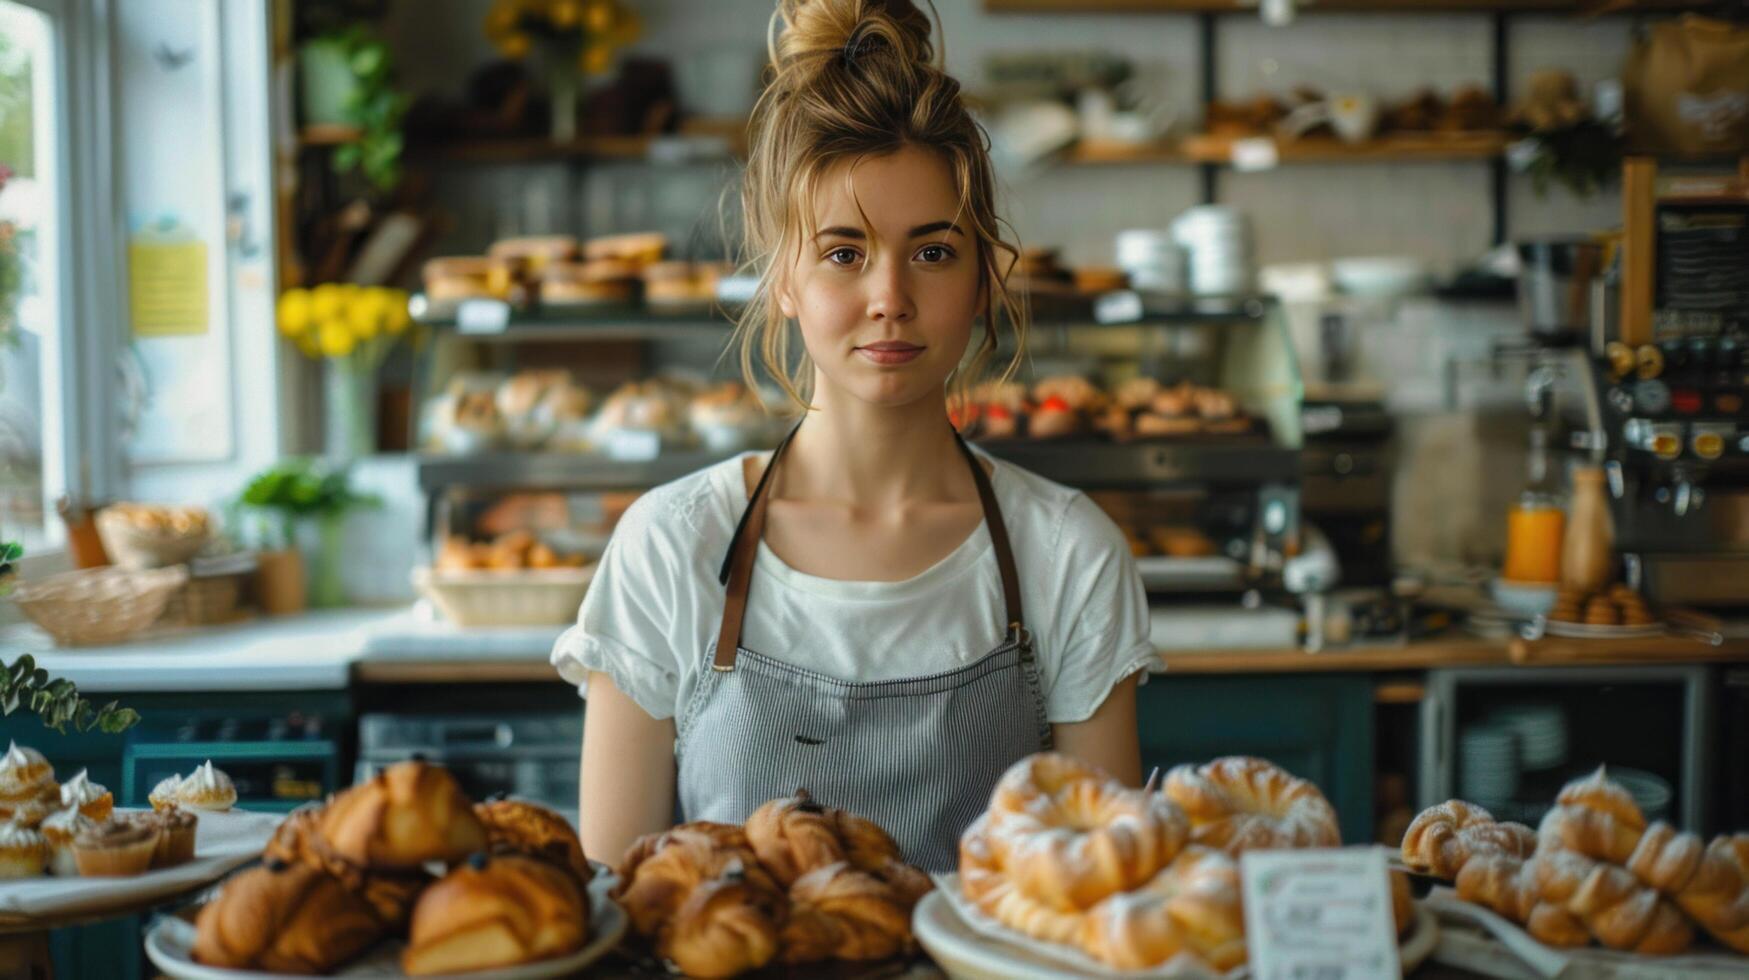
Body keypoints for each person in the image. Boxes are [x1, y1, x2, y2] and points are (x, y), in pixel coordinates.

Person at [552, 0, 1152, 872]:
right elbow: (619, 900)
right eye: (843, 252)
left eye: (933, 251)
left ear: (985, 275)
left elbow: (1108, 899)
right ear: (783, 277)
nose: (889, 297)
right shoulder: (672, 545)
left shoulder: (1065, 553)